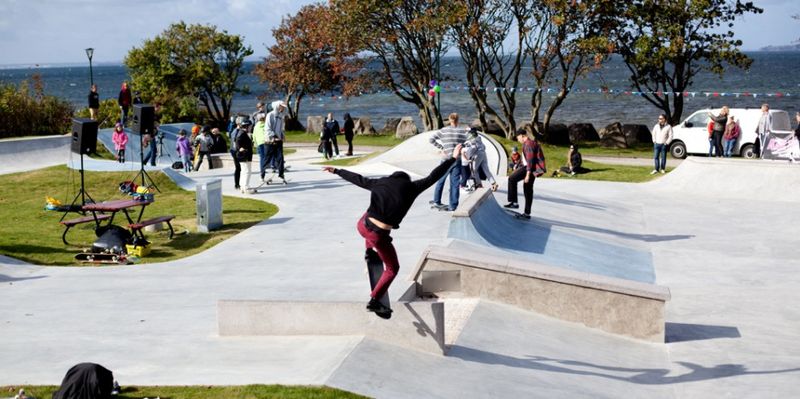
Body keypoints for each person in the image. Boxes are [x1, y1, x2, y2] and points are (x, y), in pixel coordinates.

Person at [322, 144, 463, 318]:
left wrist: (337, 170)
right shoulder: (412, 187)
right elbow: (434, 176)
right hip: (377, 236)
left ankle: (369, 251)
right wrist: (453, 158)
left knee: (372, 214)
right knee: (392, 268)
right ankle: (374, 300)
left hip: (362, 227)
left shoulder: (379, 182)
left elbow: (358, 179)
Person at [429, 113, 468, 211]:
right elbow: (466, 143)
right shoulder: (462, 131)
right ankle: (453, 206)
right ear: (458, 120)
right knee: (455, 183)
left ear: (449, 120)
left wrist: (442, 147)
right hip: (456, 160)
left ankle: (437, 201)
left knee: (440, 180)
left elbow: (431, 139)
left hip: (445, 160)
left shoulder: (443, 130)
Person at [504, 129, 546, 220]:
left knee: (512, 179)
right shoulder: (529, 143)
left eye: (518, 138)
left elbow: (530, 161)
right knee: (527, 190)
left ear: (522, 136)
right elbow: (525, 159)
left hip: (530, 169)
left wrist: (528, 174)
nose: (518, 140)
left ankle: (515, 203)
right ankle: (526, 212)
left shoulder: (528, 144)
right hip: (529, 168)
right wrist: (518, 166)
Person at [264, 100, 288, 183]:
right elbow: (267, 129)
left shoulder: (281, 116)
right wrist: (274, 137)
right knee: (268, 158)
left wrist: (282, 136)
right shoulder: (270, 115)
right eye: (281, 106)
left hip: (278, 141)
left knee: (280, 158)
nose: (282, 108)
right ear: (277, 106)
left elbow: (281, 129)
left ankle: (281, 174)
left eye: (283, 107)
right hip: (269, 141)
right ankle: (264, 175)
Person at [230, 119, 254, 192]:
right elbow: (237, 141)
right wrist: (240, 148)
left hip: (243, 155)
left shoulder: (242, 132)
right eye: (250, 126)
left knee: (244, 171)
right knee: (247, 171)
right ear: (247, 126)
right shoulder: (242, 133)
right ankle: (246, 187)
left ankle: (243, 187)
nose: (251, 127)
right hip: (245, 156)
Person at [252, 113, 267, 180]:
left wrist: (255, 144)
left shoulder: (256, 126)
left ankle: (262, 172)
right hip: (265, 142)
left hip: (259, 143)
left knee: (262, 158)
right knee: (268, 156)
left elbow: (254, 136)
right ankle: (272, 166)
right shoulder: (266, 125)